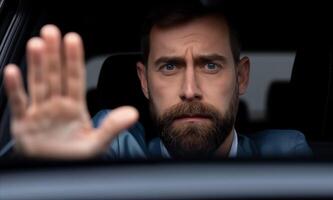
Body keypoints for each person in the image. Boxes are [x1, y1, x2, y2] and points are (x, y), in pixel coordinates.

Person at [3, 2, 312, 159]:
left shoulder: (284, 153)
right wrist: (51, 167)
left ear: (241, 76)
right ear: (144, 81)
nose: (190, 91)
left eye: (210, 66)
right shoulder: (116, 146)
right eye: (169, 67)